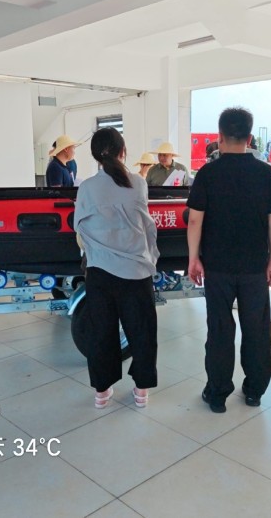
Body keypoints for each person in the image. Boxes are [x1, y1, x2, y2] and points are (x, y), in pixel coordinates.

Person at [187, 107, 271, 413]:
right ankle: (254, 391)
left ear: (220, 136)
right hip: (255, 267)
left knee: (219, 330)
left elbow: (195, 220)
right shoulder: (266, 173)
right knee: (256, 330)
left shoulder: (207, 173)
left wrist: (193, 258)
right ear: (250, 137)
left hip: (217, 266)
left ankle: (217, 394)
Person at [74, 127, 160, 409]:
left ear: (95, 156)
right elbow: (146, 226)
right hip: (136, 270)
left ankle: (101, 393)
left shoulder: (87, 187)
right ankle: (141, 391)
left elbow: (79, 228)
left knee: (102, 332)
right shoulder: (138, 183)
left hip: (100, 271)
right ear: (123, 151)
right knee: (142, 331)